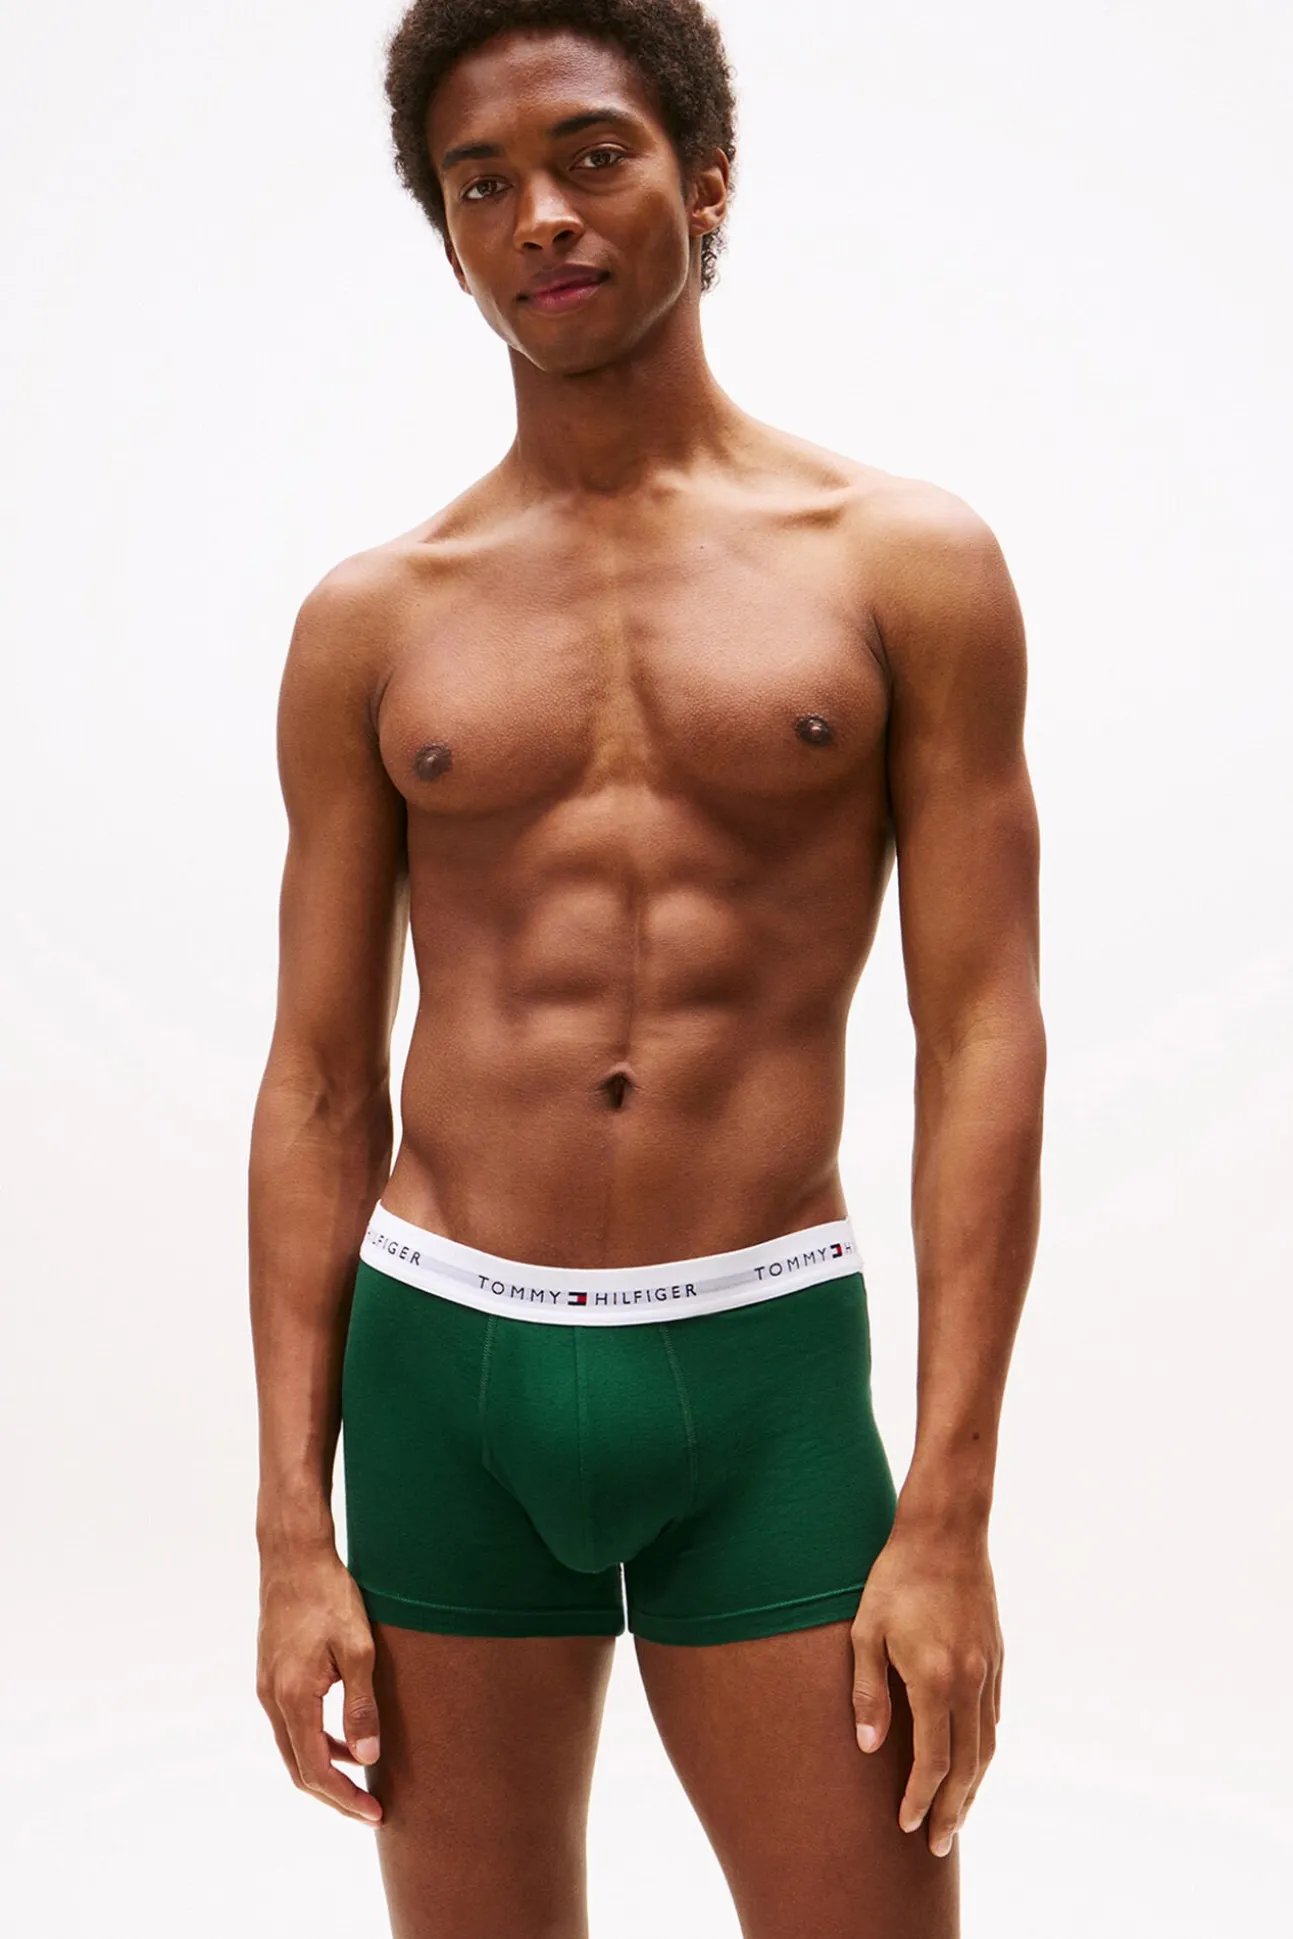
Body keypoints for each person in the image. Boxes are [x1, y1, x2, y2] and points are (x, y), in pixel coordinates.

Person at [248, 1, 1046, 1932]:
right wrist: (289, 1522)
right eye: (481, 184)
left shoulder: (902, 565)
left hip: (761, 1363)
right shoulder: (374, 620)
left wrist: (949, 1506)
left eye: (591, 156)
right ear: (449, 236)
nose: (539, 214)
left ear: (705, 180)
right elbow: (323, 1082)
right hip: (445, 1370)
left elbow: (981, 1033)